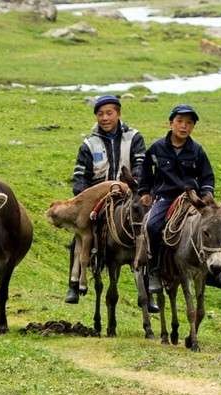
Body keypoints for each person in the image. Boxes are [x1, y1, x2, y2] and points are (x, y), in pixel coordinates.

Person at [136, 104, 221, 292]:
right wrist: (145, 192)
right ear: (171, 123)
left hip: (193, 198)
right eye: (179, 121)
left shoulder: (197, 150)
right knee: (152, 226)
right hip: (165, 197)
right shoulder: (156, 148)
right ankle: (155, 271)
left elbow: (207, 176)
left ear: (193, 127)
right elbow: (145, 173)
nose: (183, 126)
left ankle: (218, 273)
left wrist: (207, 192)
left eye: (189, 123)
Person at [65, 95, 147, 304]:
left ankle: (148, 288)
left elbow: (140, 165)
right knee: (80, 233)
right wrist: (83, 197)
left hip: (129, 191)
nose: (105, 118)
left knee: (145, 229)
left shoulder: (134, 137)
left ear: (118, 114)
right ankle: (73, 284)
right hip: (98, 195)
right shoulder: (89, 143)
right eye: (100, 114)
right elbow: (80, 176)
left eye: (109, 113)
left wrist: (133, 185)